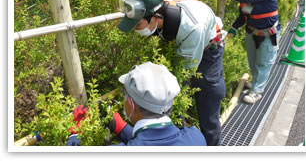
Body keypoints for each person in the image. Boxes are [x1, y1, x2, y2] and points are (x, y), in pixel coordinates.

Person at [117, 0, 226, 146]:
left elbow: (184, 73)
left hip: (209, 48)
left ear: (156, 17)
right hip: (183, 43)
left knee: (207, 103)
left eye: (137, 25)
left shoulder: (193, 28)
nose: (134, 30)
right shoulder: (159, 11)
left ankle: (210, 147)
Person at [66, 62, 206, 146]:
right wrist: (121, 127)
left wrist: (74, 135)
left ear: (131, 104)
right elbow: (154, 142)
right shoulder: (196, 138)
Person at [218, 0, 281, 104]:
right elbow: (244, 14)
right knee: (253, 61)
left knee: (264, 63)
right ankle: (255, 84)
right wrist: (233, 28)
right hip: (251, 32)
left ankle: (257, 92)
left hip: (267, 33)